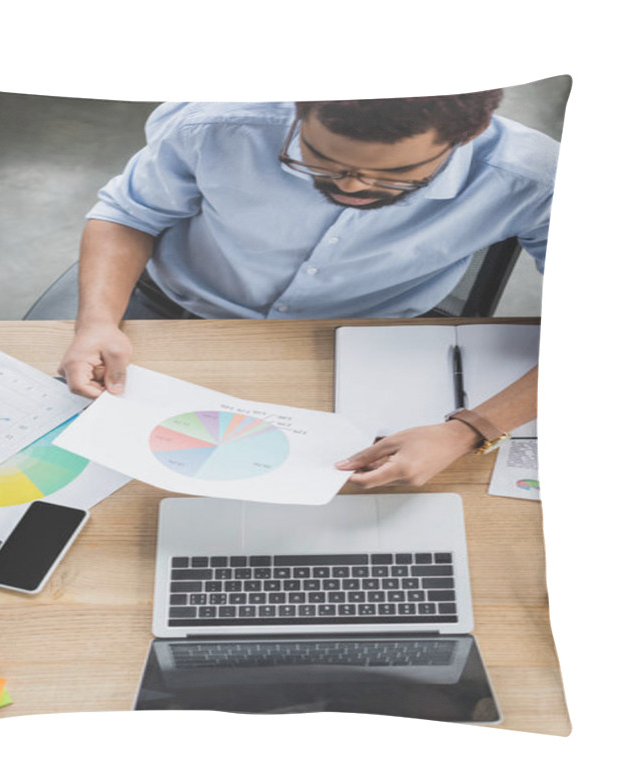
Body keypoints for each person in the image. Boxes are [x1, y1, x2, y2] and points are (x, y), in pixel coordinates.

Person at [59, 92, 557, 487]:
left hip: (371, 340)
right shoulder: (215, 122)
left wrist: (469, 430)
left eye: (397, 174)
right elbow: (128, 214)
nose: (353, 186)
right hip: (174, 311)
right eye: (319, 159)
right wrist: (97, 323)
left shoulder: (535, 178)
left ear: (466, 138)